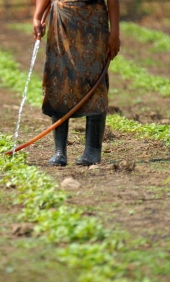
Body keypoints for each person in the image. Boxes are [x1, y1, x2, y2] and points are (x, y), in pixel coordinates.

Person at [33, 0, 120, 166]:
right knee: (59, 79)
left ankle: (92, 150)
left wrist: (114, 32)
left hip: (93, 20)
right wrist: (37, 16)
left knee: (95, 79)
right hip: (62, 20)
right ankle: (59, 151)